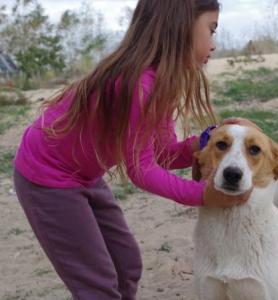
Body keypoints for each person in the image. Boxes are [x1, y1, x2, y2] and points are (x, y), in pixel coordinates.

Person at [13, 1, 251, 299]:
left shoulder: (160, 84)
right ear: (179, 27)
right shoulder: (138, 85)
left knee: (127, 266)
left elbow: (162, 153)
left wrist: (204, 143)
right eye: (211, 30)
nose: (214, 44)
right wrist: (203, 195)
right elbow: (142, 170)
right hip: (47, 178)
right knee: (97, 284)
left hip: (85, 175)